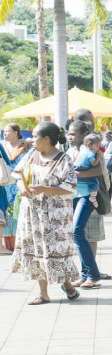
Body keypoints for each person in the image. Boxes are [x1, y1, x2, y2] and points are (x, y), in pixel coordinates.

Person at [11, 122, 81, 304]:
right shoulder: (31, 155)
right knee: (36, 250)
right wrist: (22, 188)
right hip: (32, 214)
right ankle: (43, 293)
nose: (32, 140)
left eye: (35, 137)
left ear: (48, 139)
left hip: (54, 218)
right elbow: (17, 174)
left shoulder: (64, 160)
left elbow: (71, 187)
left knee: (54, 251)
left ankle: (67, 284)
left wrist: (45, 189)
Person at [66, 121, 103, 289]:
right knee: (78, 235)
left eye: (73, 134)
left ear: (83, 135)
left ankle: (93, 275)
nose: (69, 136)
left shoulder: (92, 151)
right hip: (75, 194)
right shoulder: (71, 150)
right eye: (69, 133)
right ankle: (85, 274)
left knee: (77, 232)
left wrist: (74, 173)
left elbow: (98, 171)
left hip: (88, 194)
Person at [2, 124, 31, 252]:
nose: (4, 133)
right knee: (7, 211)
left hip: (20, 182)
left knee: (19, 210)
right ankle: (7, 243)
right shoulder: (2, 145)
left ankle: (20, 243)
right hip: (5, 182)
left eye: (8, 131)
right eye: (4, 131)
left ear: (16, 132)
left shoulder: (25, 145)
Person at [74, 134, 101, 210]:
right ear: (90, 145)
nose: (98, 148)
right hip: (83, 169)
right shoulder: (90, 153)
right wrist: (98, 157)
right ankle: (93, 197)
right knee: (95, 182)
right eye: (98, 145)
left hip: (76, 168)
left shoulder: (83, 150)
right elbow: (94, 163)